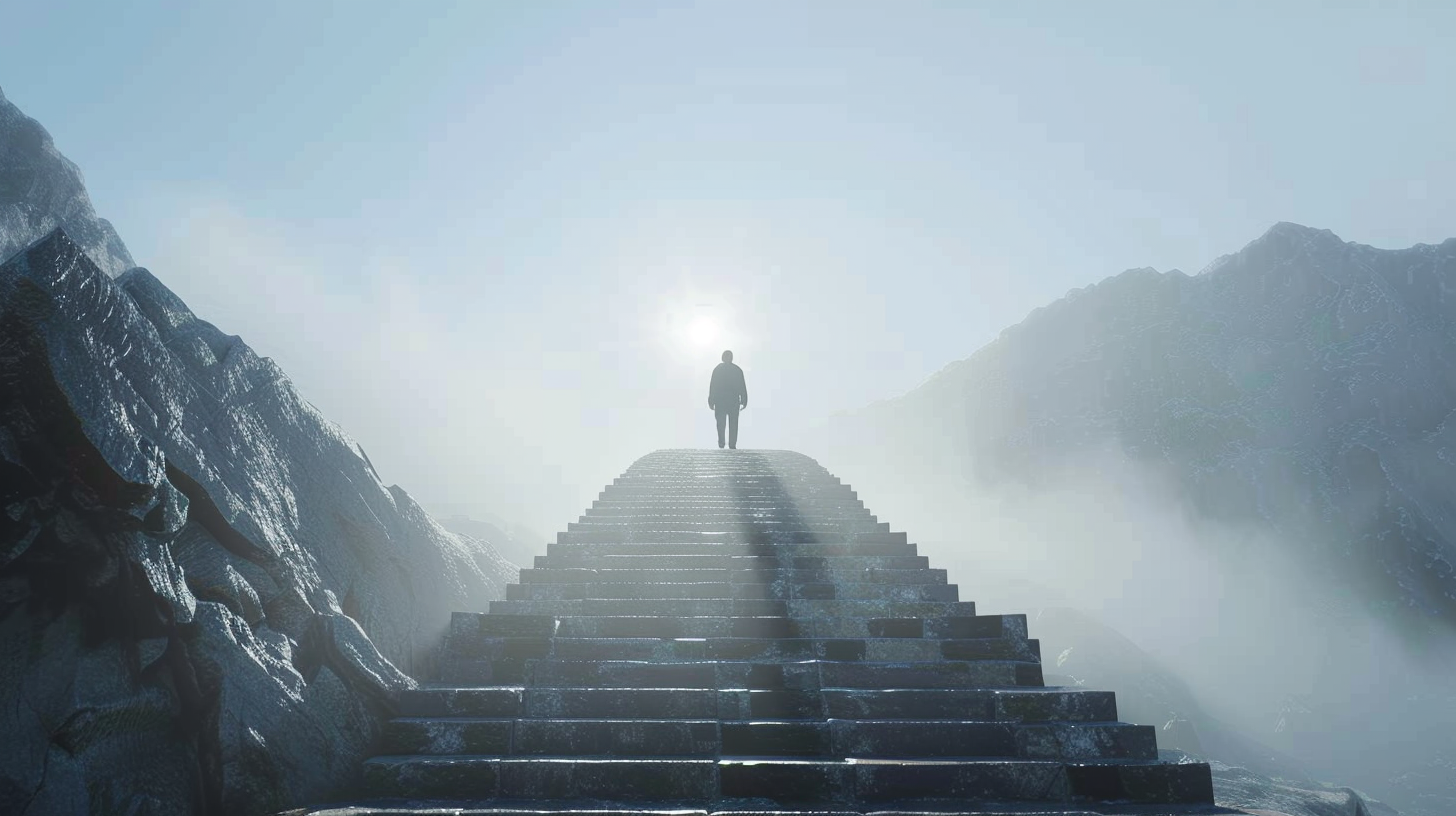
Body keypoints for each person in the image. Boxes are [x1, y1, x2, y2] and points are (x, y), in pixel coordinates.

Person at [707, 350, 748, 449]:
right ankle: (726, 443)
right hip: (726, 400)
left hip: (727, 400)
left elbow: (742, 386)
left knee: (728, 423)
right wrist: (744, 399)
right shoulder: (735, 370)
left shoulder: (720, 369)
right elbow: (713, 386)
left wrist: (711, 400)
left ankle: (728, 444)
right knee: (725, 423)